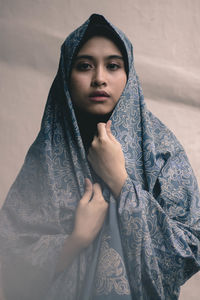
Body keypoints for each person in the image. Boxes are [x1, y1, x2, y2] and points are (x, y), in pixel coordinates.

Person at [0, 13, 200, 300]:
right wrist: (75, 240)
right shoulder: (45, 156)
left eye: (113, 66)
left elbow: (190, 248)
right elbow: (11, 251)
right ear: (66, 75)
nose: (99, 79)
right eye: (84, 66)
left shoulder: (161, 151)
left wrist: (119, 182)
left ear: (129, 76)